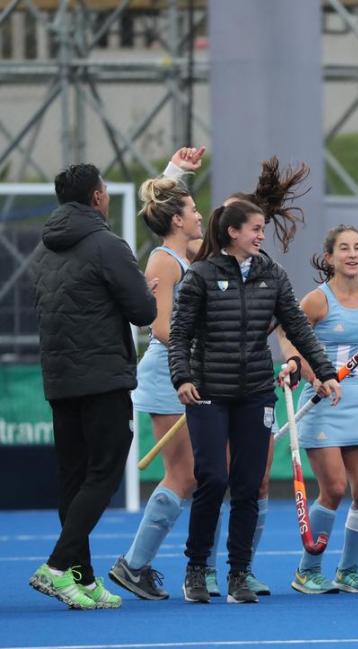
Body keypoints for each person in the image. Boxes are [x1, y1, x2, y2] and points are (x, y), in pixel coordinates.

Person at [169, 199, 341, 604]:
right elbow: (179, 335)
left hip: (256, 393)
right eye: (255, 228)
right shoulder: (201, 275)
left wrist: (326, 371)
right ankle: (196, 569)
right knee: (213, 478)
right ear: (233, 232)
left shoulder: (273, 275)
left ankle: (239, 573)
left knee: (248, 485)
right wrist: (182, 377)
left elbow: (297, 326)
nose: (261, 235)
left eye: (262, 228)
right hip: (208, 392)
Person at [29, 163, 157, 609]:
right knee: (103, 473)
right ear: (98, 197)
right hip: (102, 377)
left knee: (73, 478)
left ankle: (80, 579)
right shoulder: (107, 244)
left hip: (60, 379)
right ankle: (58, 566)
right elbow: (143, 312)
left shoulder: (42, 250)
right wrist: (145, 289)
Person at [109, 148, 206, 601]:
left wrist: (175, 173)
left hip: (185, 372)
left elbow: (219, 240)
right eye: (192, 211)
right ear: (177, 221)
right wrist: (201, 358)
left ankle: (145, 565)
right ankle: (133, 564)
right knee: (183, 476)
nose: (199, 215)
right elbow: (162, 327)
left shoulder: (187, 253)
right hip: (168, 375)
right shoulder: (164, 261)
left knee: (197, 476)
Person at [281, 225, 358, 595]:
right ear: (329, 257)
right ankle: (308, 569)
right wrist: (312, 375)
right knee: (332, 488)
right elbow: (287, 332)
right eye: (344, 248)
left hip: (354, 403)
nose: (353, 254)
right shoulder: (317, 300)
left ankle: (348, 571)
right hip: (320, 403)